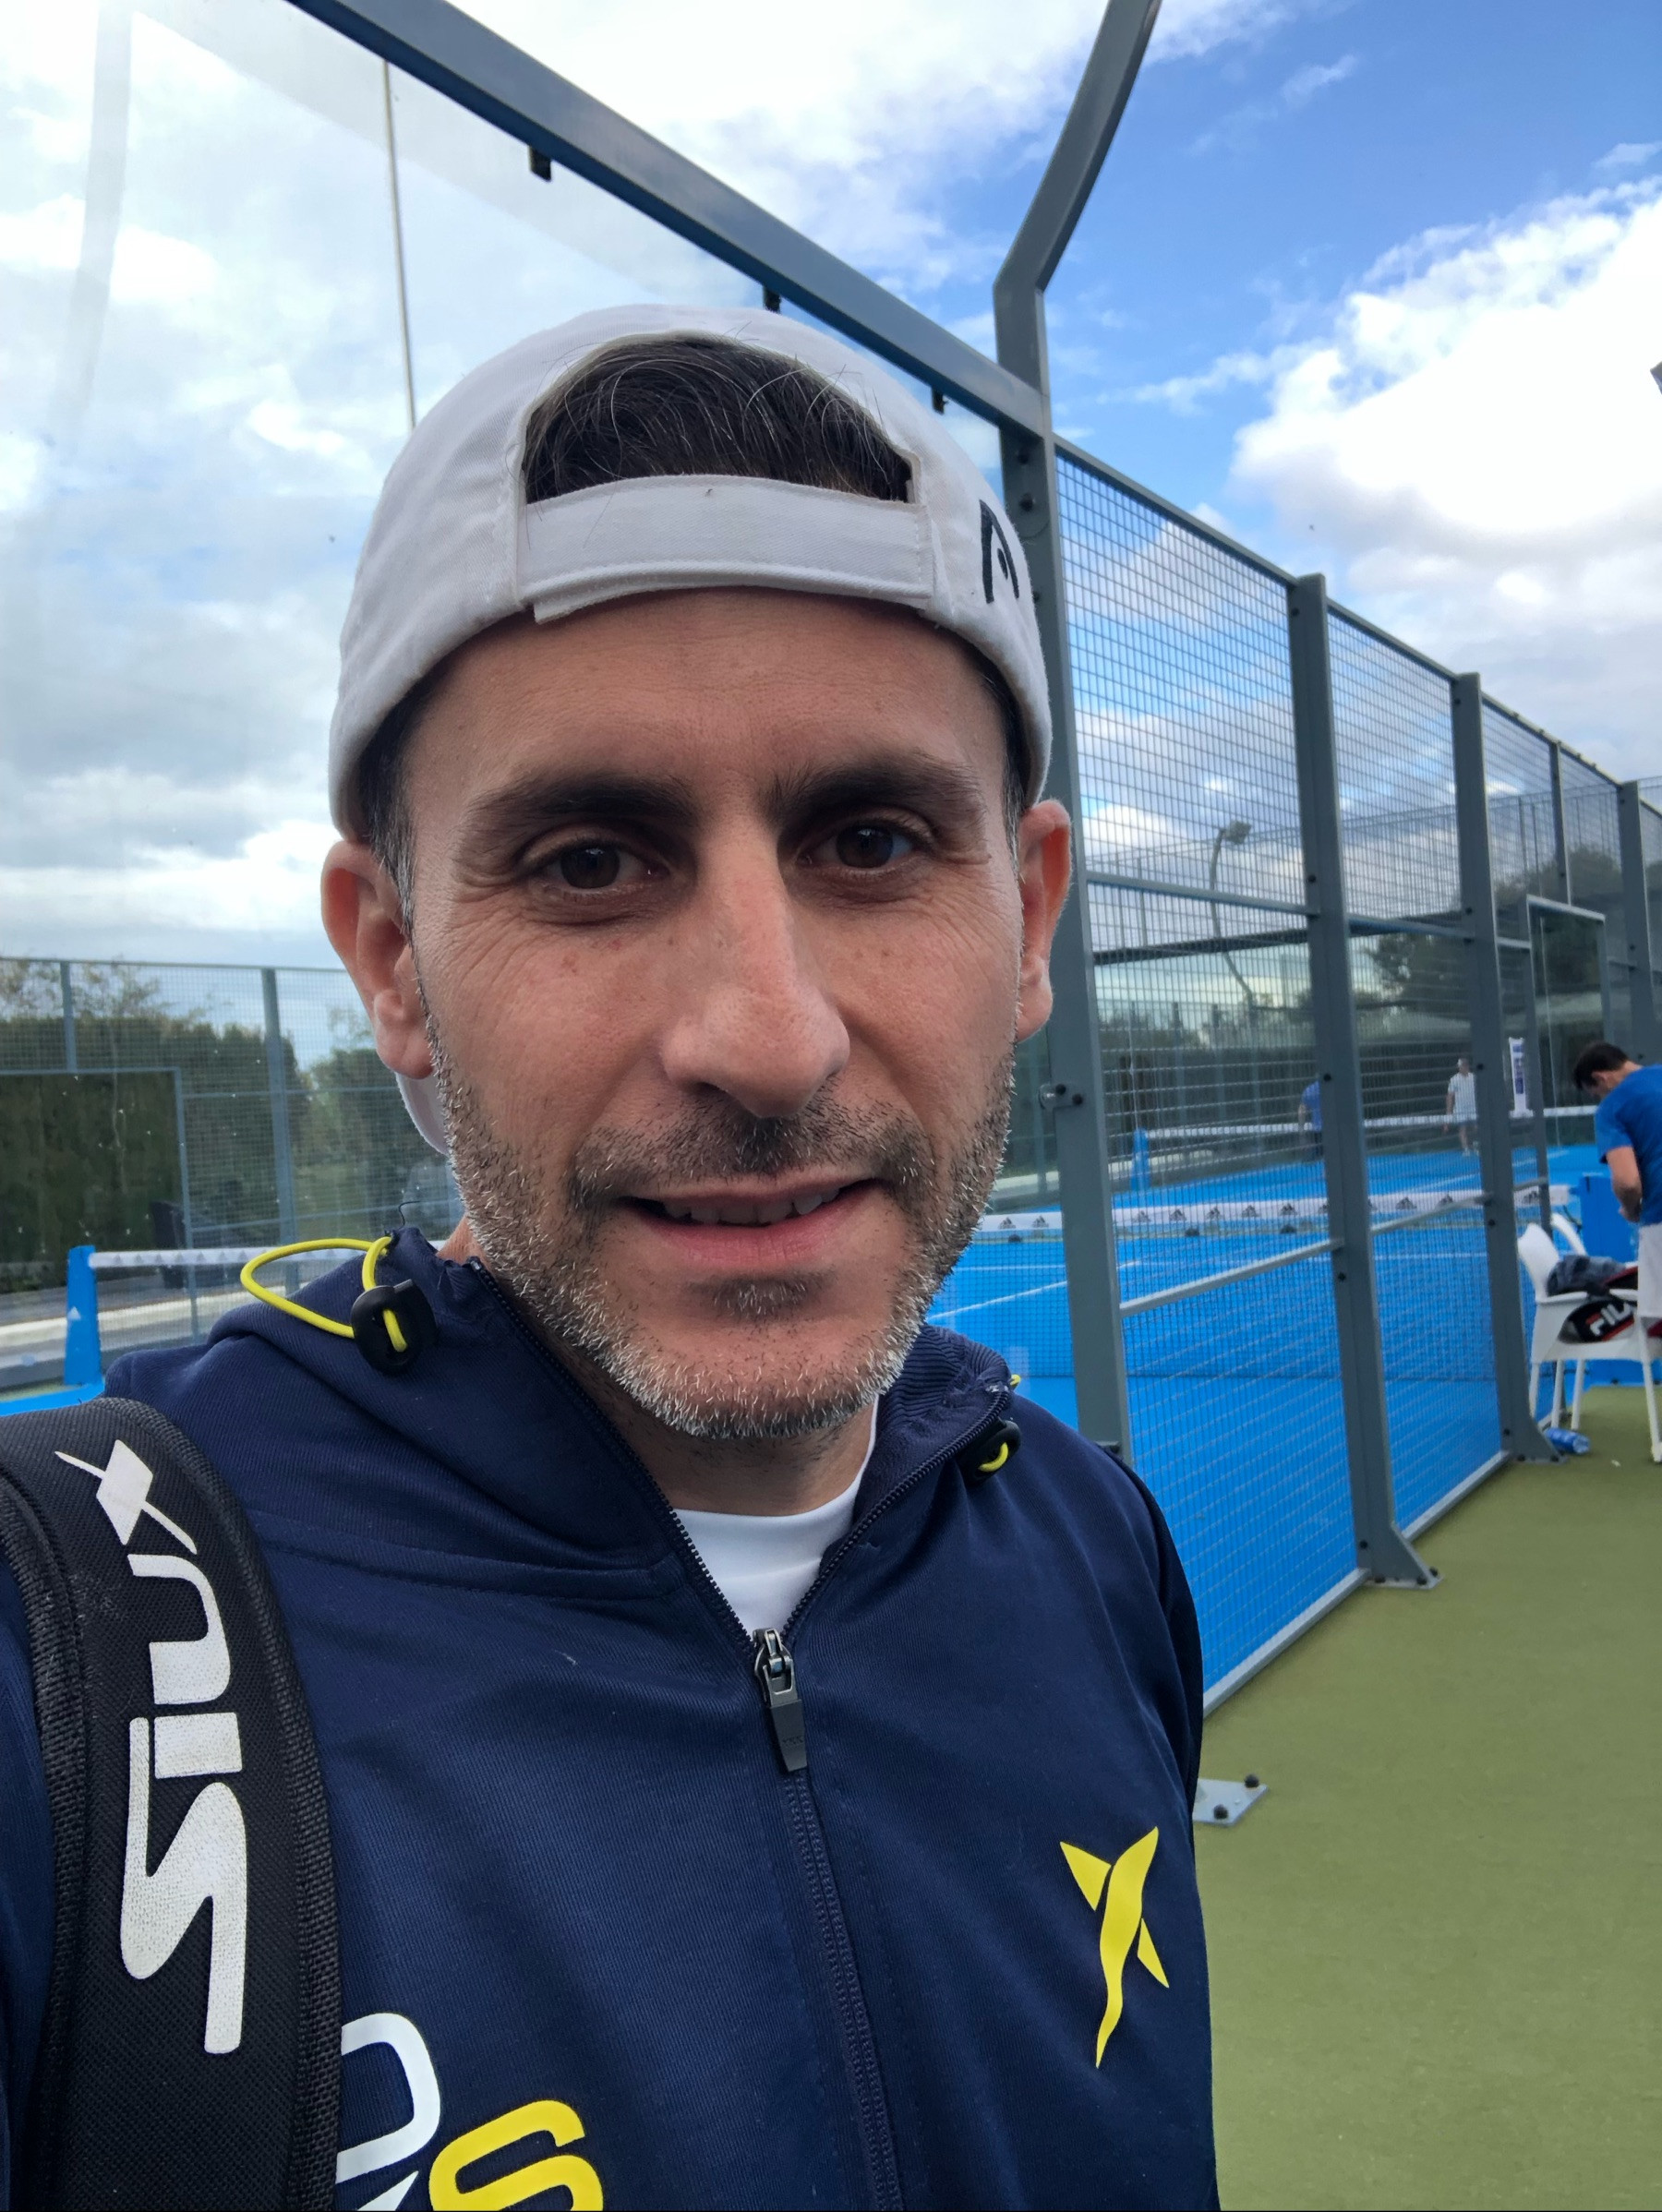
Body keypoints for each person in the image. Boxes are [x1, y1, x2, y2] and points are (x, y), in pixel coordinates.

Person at [0, 310, 1215, 2206]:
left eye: (874, 840)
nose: (769, 1036)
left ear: (1032, 913)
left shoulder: (1092, 1546)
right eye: (588, 861)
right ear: (395, 963)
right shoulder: (54, 1662)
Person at [1575, 1040, 1662, 1329]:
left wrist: (1631, 1208)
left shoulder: (1612, 1109)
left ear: (1601, 1078)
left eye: (1597, 1093)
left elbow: (1627, 1182)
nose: (1601, 1099)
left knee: (1657, 1324)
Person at [1446, 1054, 1478, 1156]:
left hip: (1473, 1108)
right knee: (1462, 1129)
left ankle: (1475, 1146)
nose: (1461, 1068)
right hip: (1460, 1109)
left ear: (1467, 1066)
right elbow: (1450, 1096)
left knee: (1476, 1128)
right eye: (1460, 1066)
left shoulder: (1474, 1077)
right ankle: (1466, 1149)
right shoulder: (1454, 1079)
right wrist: (1449, 1111)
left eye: (1463, 1066)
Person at [1298, 1075, 1323, 1157]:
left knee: (1321, 1156)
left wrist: (1302, 1133)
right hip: (1335, 1129)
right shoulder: (1334, 1089)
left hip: (1318, 1131)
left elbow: (1301, 1112)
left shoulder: (1309, 1090)